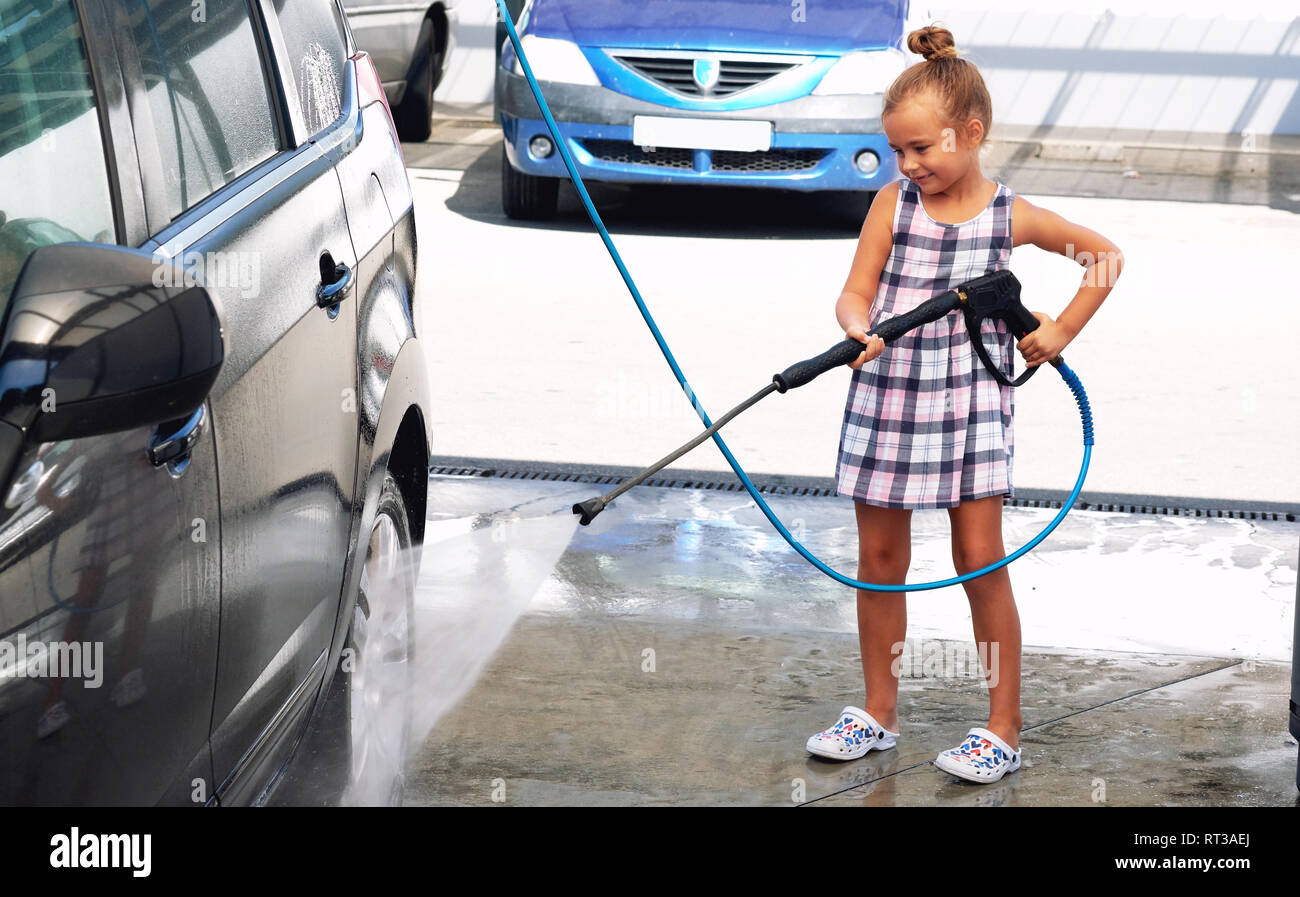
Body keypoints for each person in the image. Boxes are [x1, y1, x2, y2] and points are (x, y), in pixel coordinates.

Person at [805, 24, 1124, 783]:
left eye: (923, 150)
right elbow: (856, 290)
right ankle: (878, 712)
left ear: (971, 133)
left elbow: (1104, 257)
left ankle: (1003, 726)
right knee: (880, 560)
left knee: (980, 561)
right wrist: (857, 326)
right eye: (899, 153)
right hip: (886, 397)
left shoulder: (1010, 216)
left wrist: (1060, 329)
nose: (910, 166)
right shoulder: (894, 204)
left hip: (971, 406)